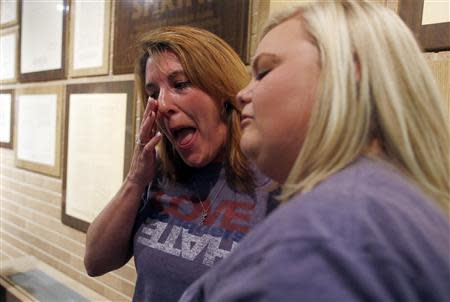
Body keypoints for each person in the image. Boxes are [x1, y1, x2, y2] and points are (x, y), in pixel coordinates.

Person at [180, 1, 450, 301]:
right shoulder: (400, 206)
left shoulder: (326, 233)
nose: (243, 94)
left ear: (347, 69)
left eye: (265, 71)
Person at [84, 26, 273, 302]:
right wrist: (135, 181)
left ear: (223, 90)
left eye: (180, 84)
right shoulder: (159, 174)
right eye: (153, 92)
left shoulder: (274, 181)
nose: (162, 104)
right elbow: (96, 261)